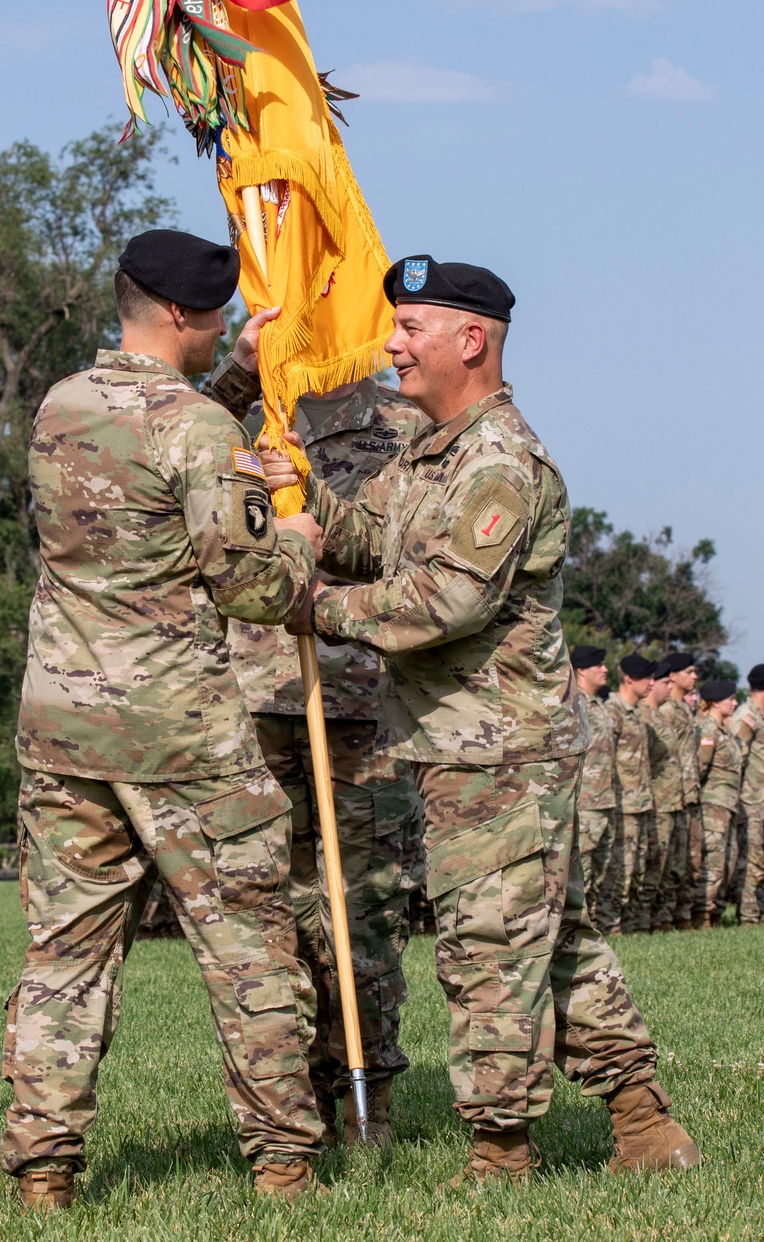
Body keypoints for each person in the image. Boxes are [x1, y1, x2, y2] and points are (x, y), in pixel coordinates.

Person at [264, 255, 699, 1181]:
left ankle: (502, 1151)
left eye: (410, 329)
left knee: (490, 946)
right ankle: (645, 1126)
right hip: (461, 744)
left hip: (500, 747)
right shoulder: (431, 453)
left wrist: (317, 610)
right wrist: (296, 490)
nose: (390, 345)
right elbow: (363, 538)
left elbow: (442, 602)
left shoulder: (499, 462)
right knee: (552, 934)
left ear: (471, 340)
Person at [0, 230, 331, 1210]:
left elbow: (133, 478)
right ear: (184, 316)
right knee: (251, 948)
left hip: (64, 725)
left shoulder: (60, 407)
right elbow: (251, 584)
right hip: (177, 732)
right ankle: (283, 1166)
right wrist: (299, 538)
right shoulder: (198, 433)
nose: (228, 326)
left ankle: (43, 1177)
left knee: (65, 957)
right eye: (221, 318)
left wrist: (229, 384)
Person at [227, 374, 427, 1148]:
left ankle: (365, 1097)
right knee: (265, 908)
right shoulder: (244, 413)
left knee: (365, 906)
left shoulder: (405, 424)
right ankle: (287, 1105)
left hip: (359, 697)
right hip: (254, 694)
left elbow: (421, 548)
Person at [599, 656, 656, 937]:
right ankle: (610, 924)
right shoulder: (613, 711)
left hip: (640, 802)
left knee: (637, 869)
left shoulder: (636, 713)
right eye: (648, 678)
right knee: (619, 869)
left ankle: (630, 922)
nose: (653, 684)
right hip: (622, 804)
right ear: (630, 679)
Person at [730, 664, 764, 926]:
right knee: (752, 861)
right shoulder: (746, 716)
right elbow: (736, 758)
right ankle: (749, 916)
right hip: (751, 803)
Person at [570, 644, 617, 922]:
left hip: (605, 799)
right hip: (585, 800)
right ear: (582, 670)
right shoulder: (574, 702)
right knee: (582, 868)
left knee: (601, 870)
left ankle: (596, 924)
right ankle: (577, 925)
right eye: (598, 665)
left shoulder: (599, 705)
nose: (605, 669)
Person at [640, 661, 687, 933]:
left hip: (671, 799)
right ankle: (645, 920)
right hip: (656, 800)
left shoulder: (658, 715)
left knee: (667, 866)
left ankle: (658, 918)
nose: (670, 687)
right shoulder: (645, 715)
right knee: (652, 864)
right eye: (665, 682)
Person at [658, 653, 702, 929]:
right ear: (672, 676)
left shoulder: (683, 709)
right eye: (689, 671)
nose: (694, 676)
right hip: (669, 795)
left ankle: (677, 915)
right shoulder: (665, 710)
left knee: (684, 861)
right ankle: (662, 918)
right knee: (665, 862)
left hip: (687, 795)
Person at [692, 681, 741, 928]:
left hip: (727, 806)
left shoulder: (724, 731)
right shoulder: (707, 730)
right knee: (712, 860)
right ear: (714, 701)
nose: (735, 703)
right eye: (730, 699)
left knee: (726, 860)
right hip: (712, 806)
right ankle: (703, 914)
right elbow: (700, 769)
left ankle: (715, 912)